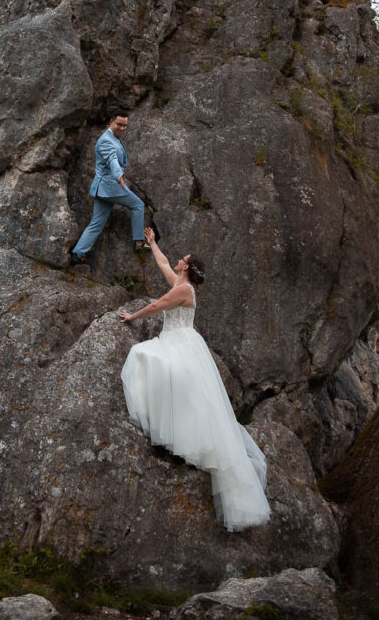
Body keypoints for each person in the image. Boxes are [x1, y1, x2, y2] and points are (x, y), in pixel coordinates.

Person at [118, 228, 270, 532]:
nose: (176, 260)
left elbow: (157, 306)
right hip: (180, 341)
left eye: (181, 259)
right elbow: (162, 264)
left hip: (180, 343)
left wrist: (132, 317)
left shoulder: (184, 291)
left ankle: (177, 437)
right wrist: (152, 244)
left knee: (142, 356)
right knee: (176, 383)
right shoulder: (181, 284)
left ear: (186, 267)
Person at [70, 111, 147, 266]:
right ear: (111, 122)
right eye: (120, 124)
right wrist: (119, 174)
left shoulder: (113, 138)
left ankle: (78, 253)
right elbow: (112, 160)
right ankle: (139, 244)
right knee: (138, 205)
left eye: (125, 126)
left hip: (102, 189)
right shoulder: (106, 141)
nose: (123, 128)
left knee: (97, 223)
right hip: (110, 187)